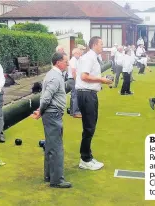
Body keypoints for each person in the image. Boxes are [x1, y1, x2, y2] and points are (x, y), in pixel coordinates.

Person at [31, 52, 72, 188]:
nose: (68, 63)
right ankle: (56, 180)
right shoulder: (55, 77)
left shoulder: (53, 75)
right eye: (66, 61)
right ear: (58, 62)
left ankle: (49, 176)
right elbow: (46, 97)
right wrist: (40, 111)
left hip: (51, 114)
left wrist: (41, 111)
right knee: (56, 147)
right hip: (53, 114)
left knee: (50, 146)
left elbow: (46, 97)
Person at [75, 36, 113, 170]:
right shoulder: (89, 58)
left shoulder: (92, 58)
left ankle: (87, 156)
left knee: (90, 126)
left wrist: (100, 82)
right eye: (101, 44)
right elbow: (84, 76)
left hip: (89, 93)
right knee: (89, 127)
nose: (103, 46)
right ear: (94, 45)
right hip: (86, 94)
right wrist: (101, 80)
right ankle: (85, 159)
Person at [67, 48, 82, 118]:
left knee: (73, 95)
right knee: (75, 96)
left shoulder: (76, 60)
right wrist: (77, 81)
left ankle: (72, 112)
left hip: (72, 79)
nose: (80, 54)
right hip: (73, 79)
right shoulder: (73, 60)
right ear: (75, 53)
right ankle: (75, 112)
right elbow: (73, 72)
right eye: (79, 53)